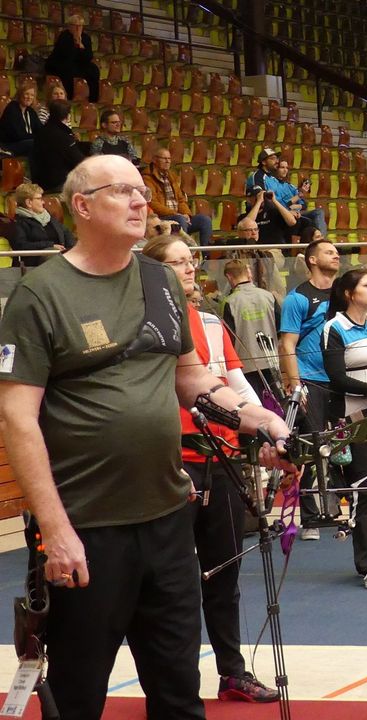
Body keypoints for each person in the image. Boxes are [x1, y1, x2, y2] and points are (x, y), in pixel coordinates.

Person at [0, 155, 292, 720]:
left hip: (167, 522)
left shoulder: (160, 282)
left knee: (179, 693)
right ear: (80, 207)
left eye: (142, 191)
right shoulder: (40, 295)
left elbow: (190, 376)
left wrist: (256, 418)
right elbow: (18, 417)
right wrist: (56, 531)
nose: (142, 202)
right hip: (87, 527)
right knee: (79, 694)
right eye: (124, 192)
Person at [139, 232, 280, 703]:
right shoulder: (143, 324)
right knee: (170, 579)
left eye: (191, 262)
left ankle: (232, 670)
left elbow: (240, 389)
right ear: (156, 272)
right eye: (177, 263)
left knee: (225, 569)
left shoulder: (211, 322)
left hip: (219, 459)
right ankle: (173, 686)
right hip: (169, 460)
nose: (189, 270)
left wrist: (267, 427)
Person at [320, 269, 367, 587]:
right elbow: (336, 377)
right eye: (366, 285)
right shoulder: (334, 328)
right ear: (350, 294)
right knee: (364, 487)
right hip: (354, 418)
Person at [280, 238, 342, 539]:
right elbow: (287, 343)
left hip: (341, 379)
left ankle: (345, 510)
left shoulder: (345, 293)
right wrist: (296, 385)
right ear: (312, 260)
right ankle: (311, 516)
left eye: (337, 251)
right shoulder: (298, 298)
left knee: (343, 447)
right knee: (310, 447)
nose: (336, 255)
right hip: (311, 380)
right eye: (329, 252)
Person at [222, 258, 284, 402]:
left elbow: (228, 337)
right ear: (248, 273)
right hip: (271, 361)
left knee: (254, 405)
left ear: (229, 277)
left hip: (246, 365)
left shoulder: (229, 302)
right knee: (277, 404)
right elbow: (280, 328)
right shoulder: (269, 296)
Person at [143, 147, 214, 246]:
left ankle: (207, 257)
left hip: (178, 216)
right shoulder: (147, 178)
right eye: (164, 158)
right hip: (161, 218)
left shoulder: (172, 176)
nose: (167, 161)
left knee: (204, 220)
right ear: (155, 160)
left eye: (169, 159)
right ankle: (182, 252)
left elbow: (181, 199)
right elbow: (152, 203)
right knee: (180, 220)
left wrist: (186, 214)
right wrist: (176, 214)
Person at [9, 182, 76, 266]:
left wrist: (71, 249)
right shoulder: (18, 222)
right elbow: (21, 245)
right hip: (35, 261)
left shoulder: (47, 217)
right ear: (28, 202)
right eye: (39, 199)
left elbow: (66, 232)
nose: (43, 202)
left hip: (58, 255)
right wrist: (50, 245)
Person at [30, 99, 84, 192]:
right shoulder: (63, 136)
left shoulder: (42, 132)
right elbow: (78, 161)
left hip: (40, 182)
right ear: (67, 116)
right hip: (58, 184)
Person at [44, 14, 100, 103]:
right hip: (60, 62)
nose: (78, 29)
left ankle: (93, 100)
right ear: (70, 26)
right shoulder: (64, 36)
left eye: (80, 26)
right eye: (76, 26)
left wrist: (81, 46)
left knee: (94, 70)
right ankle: (68, 97)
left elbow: (88, 57)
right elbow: (65, 55)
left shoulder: (86, 38)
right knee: (68, 68)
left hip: (78, 64)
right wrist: (75, 42)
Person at [0, 86, 39, 157]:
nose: (29, 97)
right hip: (8, 145)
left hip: (25, 142)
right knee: (35, 143)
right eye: (27, 94)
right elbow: (18, 135)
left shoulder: (31, 111)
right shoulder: (12, 108)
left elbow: (40, 129)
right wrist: (37, 137)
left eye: (32, 95)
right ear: (20, 94)